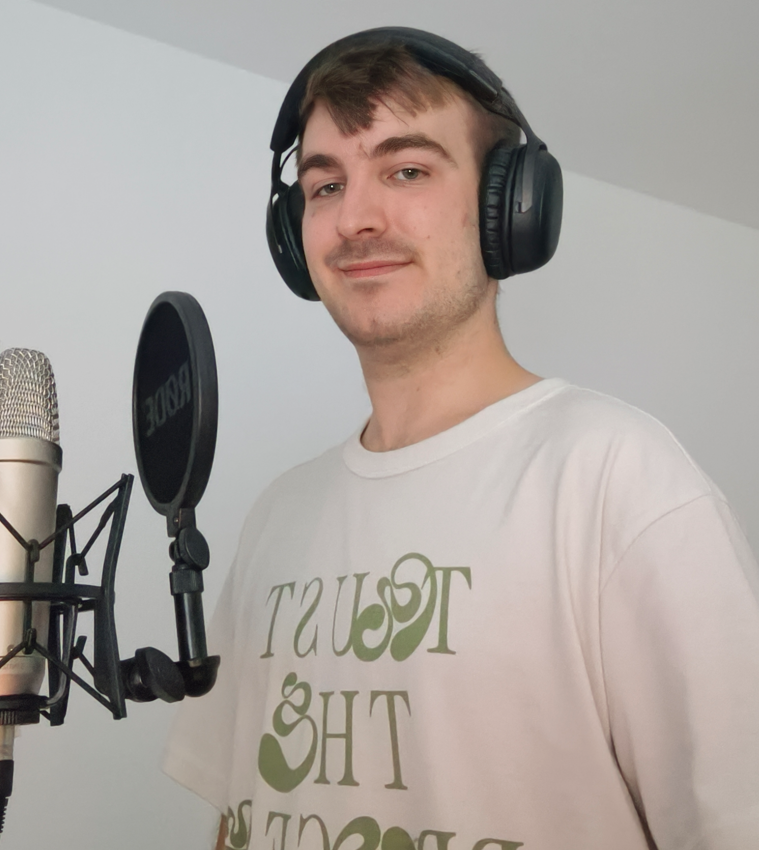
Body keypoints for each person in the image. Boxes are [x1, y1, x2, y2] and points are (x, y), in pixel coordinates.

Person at [163, 28, 759, 850]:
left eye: (407, 170)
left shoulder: (621, 482)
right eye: (325, 184)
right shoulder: (277, 516)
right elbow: (243, 811)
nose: (355, 219)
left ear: (508, 210)